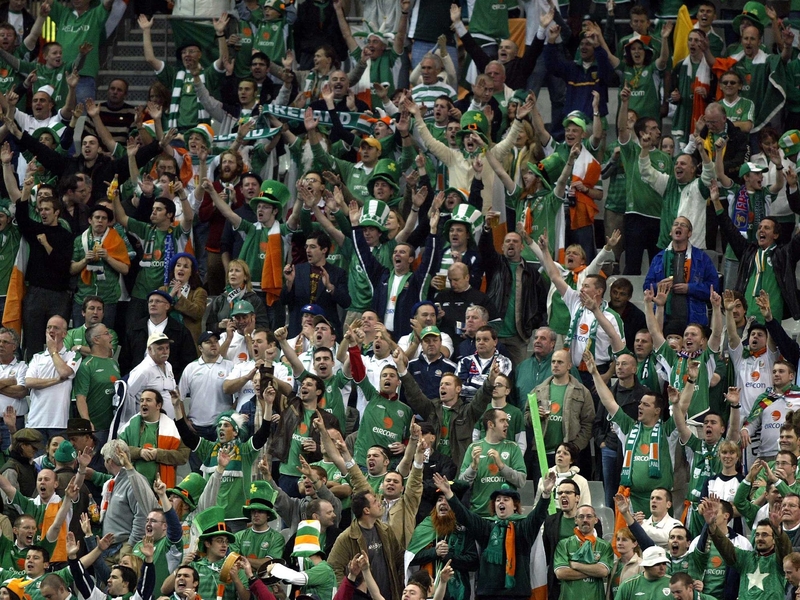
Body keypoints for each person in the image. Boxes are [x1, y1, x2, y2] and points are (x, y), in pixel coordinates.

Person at [433, 472, 556, 600]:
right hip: (487, 594)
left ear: (515, 506)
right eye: (497, 500)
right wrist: (448, 494)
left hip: (517, 594)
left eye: (505, 499)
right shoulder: (486, 526)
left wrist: (546, 494)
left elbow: (538, 515)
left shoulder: (524, 527)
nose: (500, 502)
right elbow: (465, 516)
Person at [586, 349, 674, 515]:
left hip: (660, 502)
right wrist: (595, 373)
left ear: (657, 411)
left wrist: (689, 382)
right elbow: (608, 402)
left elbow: (682, 409)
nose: (640, 406)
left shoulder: (667, 431)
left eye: (646, 405)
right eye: (640, 404)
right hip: (632, 501)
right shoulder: (629, 427)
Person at [703, 496, 792, 600]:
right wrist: (712, 525)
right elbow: (725, 547)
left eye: (764, 535)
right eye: (757, 534)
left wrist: (777, 529)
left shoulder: (779, 560)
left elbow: (785, 549)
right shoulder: (746, 558)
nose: (759, 538)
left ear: (774, 539)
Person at [406, 490, 479, 600]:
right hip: (427, 589)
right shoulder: (424, 528)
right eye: (439, 500)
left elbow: (473, 563)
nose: (443, 503)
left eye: (447, 500)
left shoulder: (464, 530)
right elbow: (410, 558)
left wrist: (449, 557)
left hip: (457, 592)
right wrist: (434, 552)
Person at [70, 205, 130, 330]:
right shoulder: (79, 240)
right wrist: (85, 260)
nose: (100, 221)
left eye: (104, 218)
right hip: (83, 298)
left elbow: (125, 269)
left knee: (103, 338)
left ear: (108, 222)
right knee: (79, 336)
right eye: (97, 217)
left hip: (107, 299)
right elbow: (71, 269)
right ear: (90, 220)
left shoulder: (116, 240)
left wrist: (108, 258)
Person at [459, 408, 526, 516]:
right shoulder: (473, 448)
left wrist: (501, 466)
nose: (507, 424)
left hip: (505, 516)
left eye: (507, 421)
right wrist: (473, 467)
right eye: (502, 421)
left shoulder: (513, 448)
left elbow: (521, 481)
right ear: (490, 424)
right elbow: (462, 484)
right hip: (478, 514)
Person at [121, 290, 198, 382]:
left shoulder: (180, 331)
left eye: (158, 301)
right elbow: (124, 360)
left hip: (168, 382)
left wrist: (176, 381)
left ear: (167, 306)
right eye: (150, 301)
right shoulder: (134, 329)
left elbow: (188, 361)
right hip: (138, 381)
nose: (153, 304)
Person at [73, 323, 120, 447]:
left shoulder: (114, 363)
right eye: (106, 333)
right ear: (96, 340)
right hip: (97, 428)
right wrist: (87, 422)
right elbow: (81, 397)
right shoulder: (86, 365)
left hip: (114, 425)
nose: (111, 336)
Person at [554, 504, 614, 600]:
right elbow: (561, 573)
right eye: (581, 516)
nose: (585, 519)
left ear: (596, 519)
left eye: (589, 516)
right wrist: (593, 570)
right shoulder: (564, 544)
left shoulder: (605, 546)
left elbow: (603, 571)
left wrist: (576, 565)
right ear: (575, 520)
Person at [159, 253, 207, 346]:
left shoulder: (199, 292)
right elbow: (157, 313)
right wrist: (171, 296)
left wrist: (180, 297)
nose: (181, 268)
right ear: (174, 269)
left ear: (191, 272)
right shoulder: (163, 290)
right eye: (178, 265)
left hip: (189, 342)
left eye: (186, 266)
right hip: (165, 340)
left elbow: (198, 312)